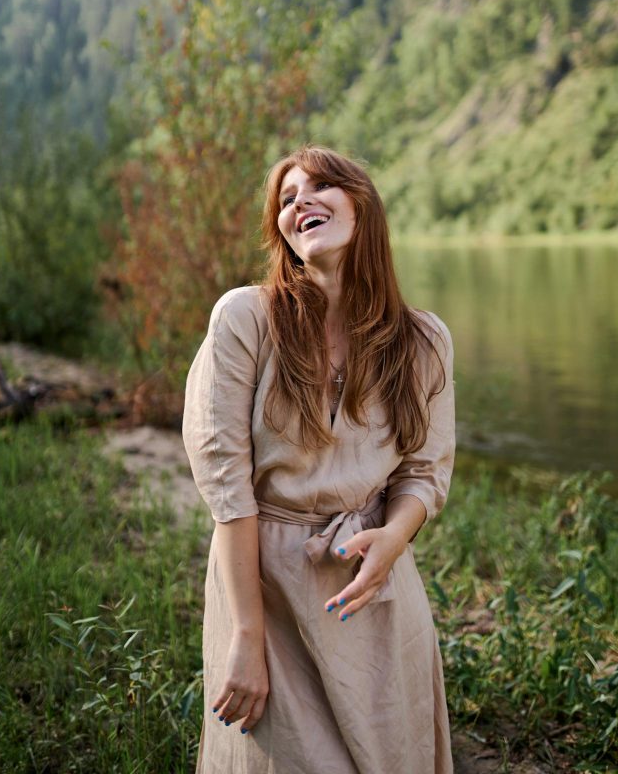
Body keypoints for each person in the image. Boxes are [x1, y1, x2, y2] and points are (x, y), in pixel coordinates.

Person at [182, 145, 456, 774]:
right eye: (285, 197)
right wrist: (247, 636)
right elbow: (228, 490)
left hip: (374, 589)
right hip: (265, 585)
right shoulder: (244, 318)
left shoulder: (423, 342)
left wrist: (393, 535)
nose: (298, 200)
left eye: (319, 185)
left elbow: (425, 469)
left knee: (390, 751)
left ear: (362, 204)